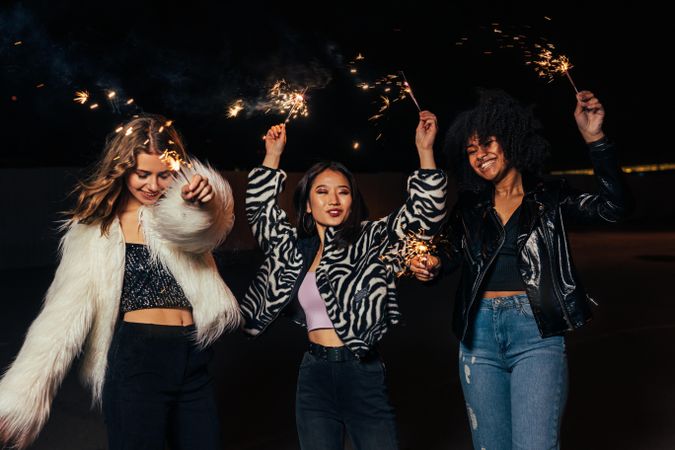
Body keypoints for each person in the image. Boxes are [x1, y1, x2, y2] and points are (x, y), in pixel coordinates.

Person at [0, 114, 241, 450]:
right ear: (123, 168)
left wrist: (205, 201)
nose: (153, 186)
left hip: (192, 358)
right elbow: (60, 317)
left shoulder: (178, 214)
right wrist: (18, 397)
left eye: (164, 175)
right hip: (136, 361)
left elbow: (200, 230)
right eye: (142, 174)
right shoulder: (93, 233)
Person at [411, 90, 632, 450]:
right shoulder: (471, 205)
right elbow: (446, 252)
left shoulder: (550, 195)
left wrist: (595, 138)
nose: (479, 155)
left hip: (536, 334)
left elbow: (614, 207)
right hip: (477, 338)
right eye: (470, 150)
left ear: (511, 139)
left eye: (487, 143)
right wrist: (429, 264)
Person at [240, 111, 447, 450]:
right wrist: (273, 155)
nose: (334, 200)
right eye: (322, 192)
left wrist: (425, 150)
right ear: (307, 204)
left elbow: (424, 214)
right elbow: (260, 212)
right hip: (313, 376)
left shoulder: (371, 239)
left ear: (353, 201)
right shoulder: (292, 247)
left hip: (361, 373)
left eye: (343, 192)